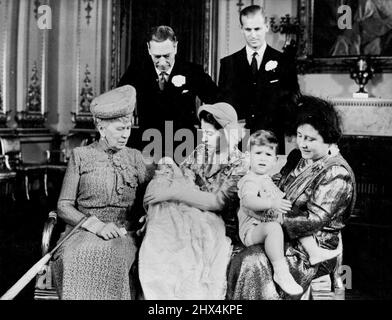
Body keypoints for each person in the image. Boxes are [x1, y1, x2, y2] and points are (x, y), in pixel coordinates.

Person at [226, 95, 356, 300]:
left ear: (329, 138)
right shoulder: (298, 157)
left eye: (311, 139)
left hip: (312, 246)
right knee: (227, 247)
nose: (302, 144)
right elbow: (277, 184)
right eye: (300, 135)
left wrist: (270, 215)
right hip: (282, 232)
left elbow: (314, 221)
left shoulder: (336, 173)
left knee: (252, 261)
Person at [51, 85, 154, 300]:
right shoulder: (80, 156)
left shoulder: (136, 158)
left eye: (128, 128)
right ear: (101, 127)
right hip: (82, 231)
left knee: (112, 256)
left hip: (122, 232)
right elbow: (63, 205)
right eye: (119, 129)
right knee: (76, 257)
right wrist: (95, 225)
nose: (125, 135)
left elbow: (154, 195)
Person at [138, 102, 249, 299]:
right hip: (190, 213)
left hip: (221, 221)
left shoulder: (240, 163)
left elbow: (219, 203)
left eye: (210, 134)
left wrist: (173, 193)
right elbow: (184, 178)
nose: (204, 139)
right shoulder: (201, 152)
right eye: (203, 133)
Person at [238, 129, 343, 297]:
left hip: (265, 221)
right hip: (251, 230)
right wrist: (272, 203)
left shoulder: (267, 179)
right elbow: (247, 201)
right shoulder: (250, 179)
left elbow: (283, 200)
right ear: (248, 156)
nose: (263, 158)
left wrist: (288, 208)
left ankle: (314, 252)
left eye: (268, 154)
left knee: (294, 218)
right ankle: (281, 272)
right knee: (273, 228)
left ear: (274, 160)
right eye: (257, 153)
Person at [118, 25, 219, 159]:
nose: (162, 62)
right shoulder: (136, 71)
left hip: (184, 147)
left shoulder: (193, 71)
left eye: (167, 56)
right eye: (157, 56)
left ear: (175, 47)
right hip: (149, 146)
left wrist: (207, 122)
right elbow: (119, 101)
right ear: (149, 48)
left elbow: (217, 100)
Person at [218, 5, 299, 151]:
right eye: (248, 30)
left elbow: (292, 100)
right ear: (242, 29)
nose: (253, 35)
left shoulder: (284, 62)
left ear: (267, 27)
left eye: (257, 29)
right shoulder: (228, 63)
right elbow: (223, 104)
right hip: (238, 141)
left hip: (272, 140)